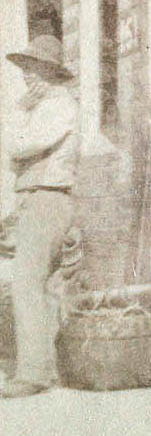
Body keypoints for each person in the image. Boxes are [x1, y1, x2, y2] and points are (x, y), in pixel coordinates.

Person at [1, 35, 78, 398]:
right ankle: (47, 368)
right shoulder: (45, 108)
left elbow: (19, 146)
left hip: (46, 199)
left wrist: (17, 113)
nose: (27, 77)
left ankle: (32, 373)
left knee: (26, 283)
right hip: (39, 199)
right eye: (25, 70)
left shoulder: (58, 106)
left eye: (35, 69)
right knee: (43, 286)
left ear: (52, 72)